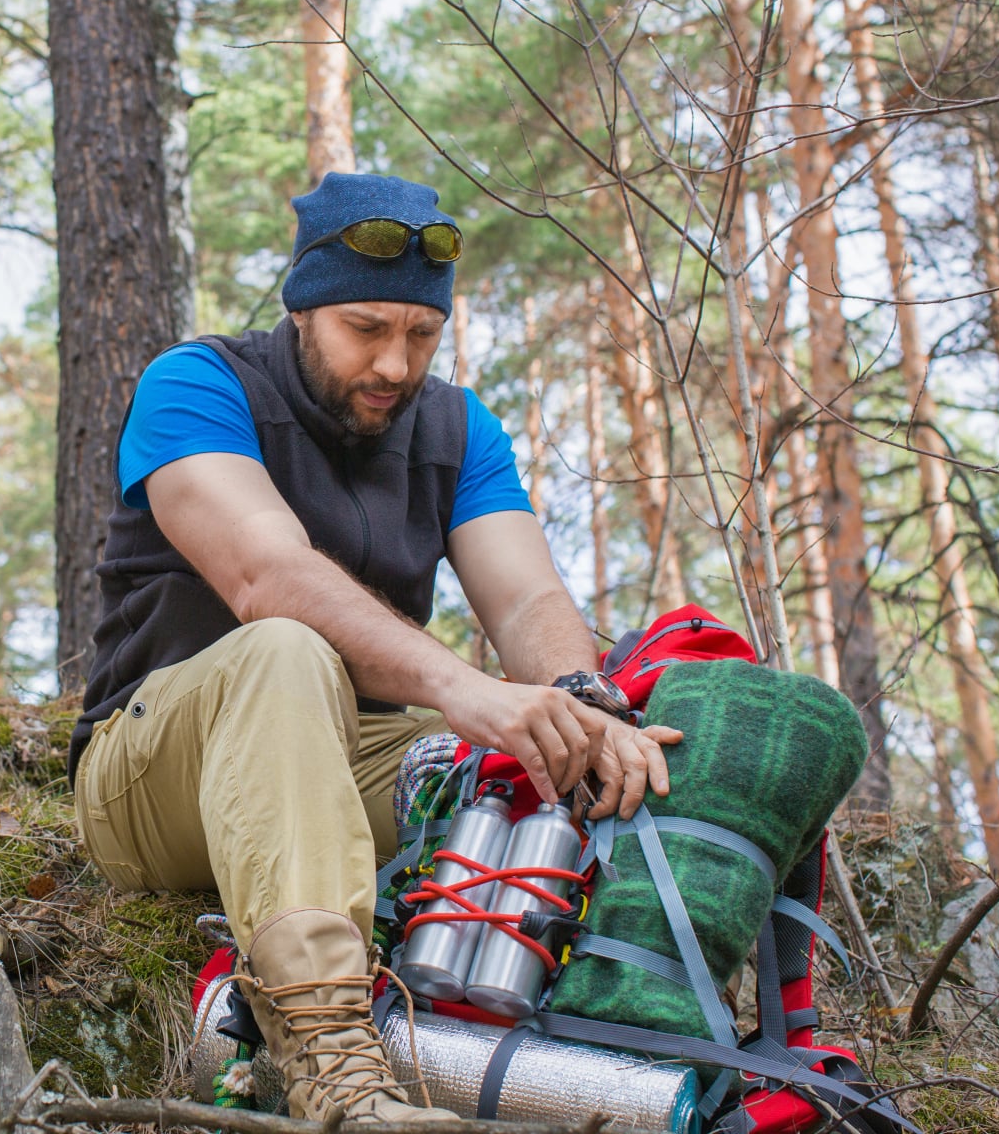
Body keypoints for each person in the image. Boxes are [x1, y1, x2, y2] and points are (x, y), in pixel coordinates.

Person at [68, 172, 681, 1122]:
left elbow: (523, 596)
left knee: (524, 761)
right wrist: (461, 688)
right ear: (305, 309)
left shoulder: (457, 428)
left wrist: (582, 704)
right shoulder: (195, 385)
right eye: (366, 329)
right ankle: (329, 1065)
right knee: (283, 648)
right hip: (152, 775)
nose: (396, 364)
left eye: (422, 335)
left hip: (339, 765)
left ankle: (617, 1041)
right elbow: (266, 577)